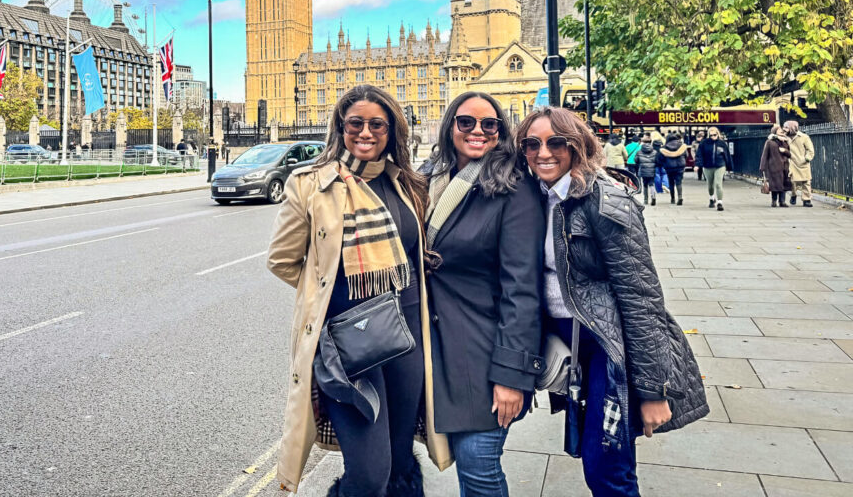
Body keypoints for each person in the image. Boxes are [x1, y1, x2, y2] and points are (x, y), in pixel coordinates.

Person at [267, 85, 450, 496]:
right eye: (355, 123)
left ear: (392, 131)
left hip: (406, 343)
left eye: (377, 124)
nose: (365, 132)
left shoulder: (408, 184)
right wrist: (328, 288)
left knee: (401, 460)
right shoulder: (310, 185)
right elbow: (282, 260)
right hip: (349, 349)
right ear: (340, 127)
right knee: (369, 474)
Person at [515, 107, 708, 496]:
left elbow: (641, 297)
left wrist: (653, 390)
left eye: (556, 142)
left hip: (609, 345)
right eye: (532, 144)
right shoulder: (534, 195)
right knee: (603, 457)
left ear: (577, 145)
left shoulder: (606, 201)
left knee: (605, 467)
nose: (544, 152)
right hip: (566, 342)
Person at [420, 91, 545, 496]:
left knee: (478, 468)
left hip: (484, 353)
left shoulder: (513, 189)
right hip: (432, 351)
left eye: (489, 124)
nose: (477, 131)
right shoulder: (428, 179)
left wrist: (511, 375)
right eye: (466, 122)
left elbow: (522, 289)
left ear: (501, 130)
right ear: (449, 126)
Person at [697, 127, 732, 211]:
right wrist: (697, 165)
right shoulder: (704, 143)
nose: (713, 136)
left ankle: (720, 202)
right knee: (710, 185)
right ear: (708, 135)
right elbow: (699, 154)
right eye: (711, 135)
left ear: (718, 134)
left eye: (714, 135)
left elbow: (727, 155)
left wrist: (729, 166)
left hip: (720, 165)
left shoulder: (722, 143)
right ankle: (712, 198)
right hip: (707, 166)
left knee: (718, 184)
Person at [784, 120, 815, 207]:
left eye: (786, 127)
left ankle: (806, 200)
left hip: (803, 163)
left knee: (806, 182)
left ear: (792, 128)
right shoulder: (784, 137)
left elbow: (810, 150)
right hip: (791, 163)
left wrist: (807, 159)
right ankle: (793, 195)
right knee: (792, 182)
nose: (784, 129)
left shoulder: (804, 137)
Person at [760, 125, 792, 208]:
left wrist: (784, 150)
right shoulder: (770, 142)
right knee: (774, 185)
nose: (781, 131)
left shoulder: (785, 141)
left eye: (781, 129)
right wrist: (762, 167)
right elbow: (765, 155)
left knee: (783, 185)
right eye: (779, 130)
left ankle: (782, 201)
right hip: (774, 166)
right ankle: (774, 201)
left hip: (784, 167)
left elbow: (789, 154)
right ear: (775, 131)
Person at [657, 130, 688, 205]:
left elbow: (660, 159)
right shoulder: (682, 146)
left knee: (671, 183)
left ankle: (673, 198)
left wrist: (664, 164)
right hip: (680, 167)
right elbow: (686, 155)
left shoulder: (664, 148)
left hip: (669, 167)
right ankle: (680, 197)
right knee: (679, 182)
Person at [635, 133, 659, 205]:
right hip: (652, 170)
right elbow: (657, 161)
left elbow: (636, 160)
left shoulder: (639, 152)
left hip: (643, 170)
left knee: (645, 185)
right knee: (651, 184)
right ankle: (653, 196)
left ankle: (646, 200)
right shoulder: (654, 152)